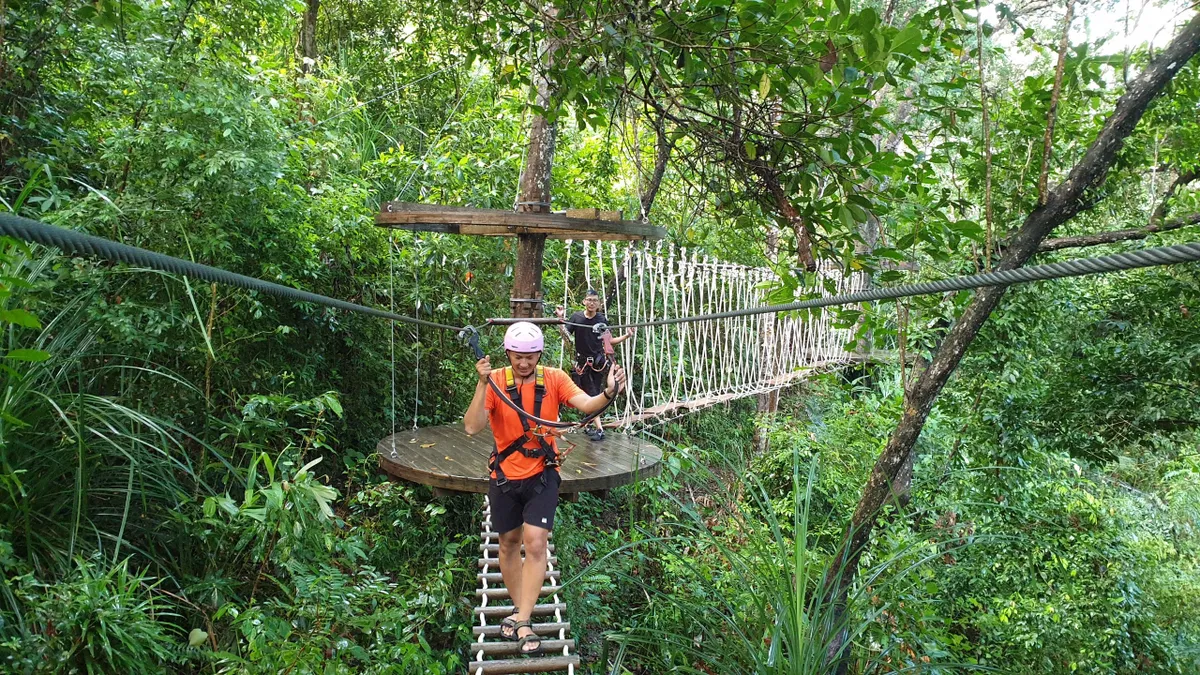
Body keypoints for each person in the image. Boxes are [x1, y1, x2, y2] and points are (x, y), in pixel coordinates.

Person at [464, 321, 625, 655]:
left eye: (530, 356)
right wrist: (482, 384)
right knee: (508, 543)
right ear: (508, 353)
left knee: (535, 542)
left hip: (542, 472)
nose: (524, 363)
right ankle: (522, 612)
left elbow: (586, 405)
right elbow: (471, 427)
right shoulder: (495, 381)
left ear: (539, 354)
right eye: (518, 356)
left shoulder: (553, 378)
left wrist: (608, 392)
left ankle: (522, 618)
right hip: (505, 475)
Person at [554, 289, 635, 441]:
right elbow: (566, 337)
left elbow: (608, 341)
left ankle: (596, 426)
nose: (591, 303)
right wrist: (561, 320)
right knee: (588, 393)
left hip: (597, 362)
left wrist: (627, 336)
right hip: (582, 363)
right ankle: (595, 426)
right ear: (584, 301)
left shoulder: (601, 319)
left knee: (594, 393)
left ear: (598, 304)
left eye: (595, 301)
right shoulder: (576, 317)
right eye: (589, 300)